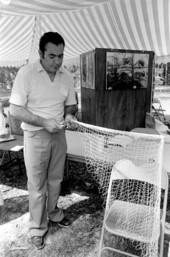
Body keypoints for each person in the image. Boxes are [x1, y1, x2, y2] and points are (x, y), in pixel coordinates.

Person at [9, 32, 77, 250]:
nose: (57, 61)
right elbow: (15, 109)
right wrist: (43, 122)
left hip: (59, 134)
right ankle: (37, 227)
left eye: (60, 56)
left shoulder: (66, 75)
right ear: (40, 54)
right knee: (37, 184)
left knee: (55, 179)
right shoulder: (26, 73)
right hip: (35, 134)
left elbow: (70, 104)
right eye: (51, 56)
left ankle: (54, 214)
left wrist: (69, 115)